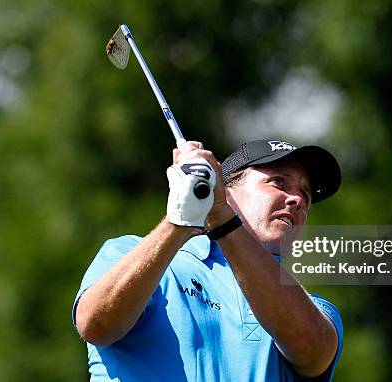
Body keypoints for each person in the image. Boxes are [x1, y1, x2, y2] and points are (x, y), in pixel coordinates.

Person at [72, 139, 344, 381]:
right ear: (226, 190)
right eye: (278, 182)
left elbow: (309, 348)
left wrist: (222, 218)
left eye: (306, 195)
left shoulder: (314, 308)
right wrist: (179, 221)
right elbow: (96, 324)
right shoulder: (131, 253)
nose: (297, 199)